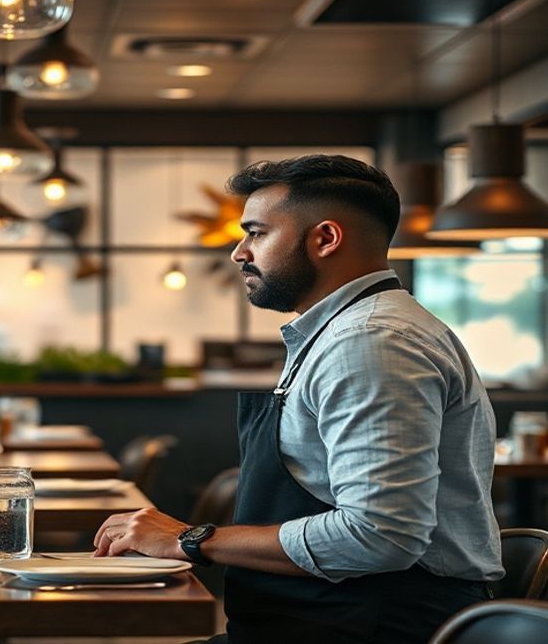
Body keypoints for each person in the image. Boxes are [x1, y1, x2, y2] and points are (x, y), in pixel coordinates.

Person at [93, 155, 503, 644]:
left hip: (372, 622)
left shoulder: (370, 341)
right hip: (325, 617)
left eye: (257, 233)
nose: (238, 252)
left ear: (325, 239)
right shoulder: (344, 332)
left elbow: (381, 535)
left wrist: (191, 539)